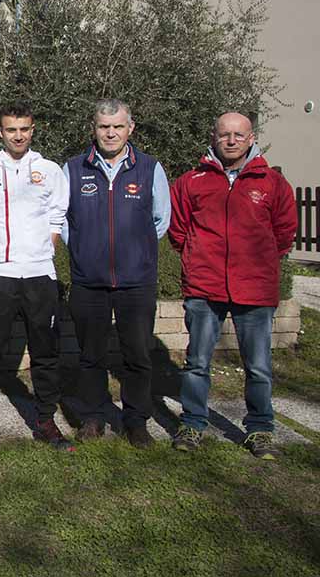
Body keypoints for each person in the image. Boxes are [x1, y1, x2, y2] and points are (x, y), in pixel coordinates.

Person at [169, 112, 297, 460]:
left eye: (239, 135)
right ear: (213, 137)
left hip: (254, 289)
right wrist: (196, 258)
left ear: (251, 138)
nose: (231, 141)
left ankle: (260, 428)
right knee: (197, 362)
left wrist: (260, 262)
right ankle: (192, 423)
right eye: (224, 134)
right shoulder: (191, 181)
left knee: (258, 367)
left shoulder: (273, 183)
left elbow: (284, 232)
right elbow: (178, 230)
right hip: (204, 286)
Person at [63, 99, 171, 448]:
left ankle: (136, 421)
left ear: (130, 128)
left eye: (118, 126)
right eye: (104, 126)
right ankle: (93, 417)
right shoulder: (74, 168)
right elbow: (62, 219)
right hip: (89, 282)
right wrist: (83, 249)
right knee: (90, 355)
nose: (110, 133)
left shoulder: (150, 168)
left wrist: (135, 250)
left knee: (137, 355)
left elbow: (161, 220)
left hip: (136, 282)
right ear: (93, 128)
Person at [0, 102, 73, 452]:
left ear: (32, 129)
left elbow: (58, 213)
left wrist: (46, 245)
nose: (18, 136)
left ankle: (45, 420)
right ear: (0, 132)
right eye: (11, 130)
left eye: (24, 129)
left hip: (40, 274)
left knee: (45, 352)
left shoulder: (49, 170)